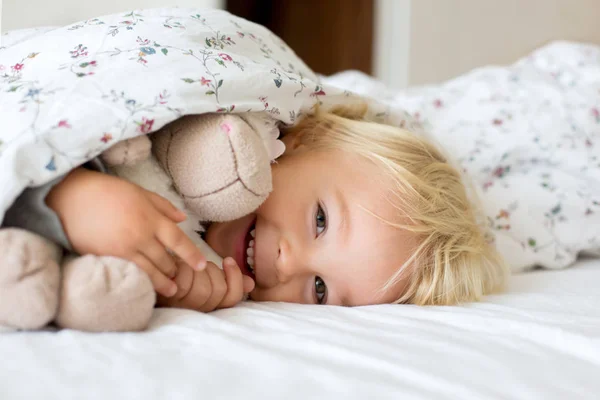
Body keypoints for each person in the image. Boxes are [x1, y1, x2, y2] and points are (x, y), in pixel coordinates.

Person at [3, 105, 507, 312]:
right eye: (320, 221)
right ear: (307, 140)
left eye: (319, 290)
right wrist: (69, 195)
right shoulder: (196, 129)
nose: (289, 263)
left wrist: (168, 285)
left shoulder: (213, 287)